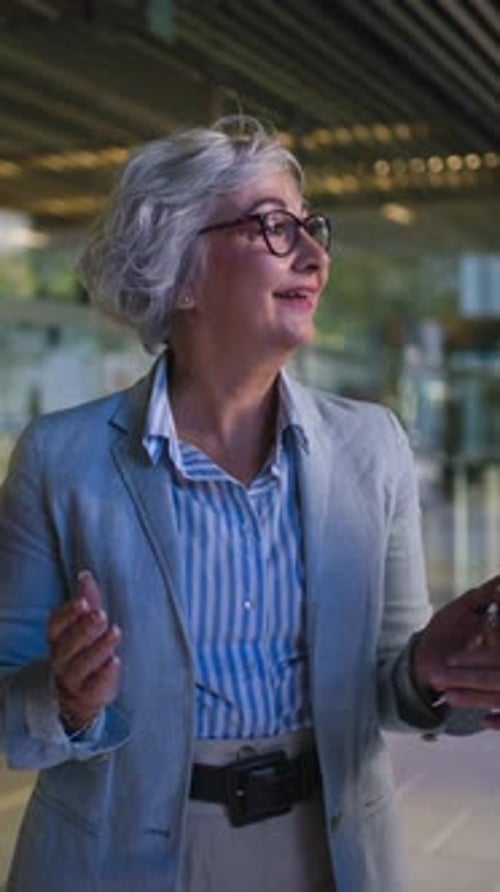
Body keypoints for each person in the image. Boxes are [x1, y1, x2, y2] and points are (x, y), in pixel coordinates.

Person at [0, 116, 499, 892]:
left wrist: (430, 670)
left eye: (310, 228)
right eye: (272, 226)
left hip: (329, 853)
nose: (314, 255)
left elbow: (387, 686)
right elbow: (10, 712)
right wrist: (65, 699)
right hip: (116, 862)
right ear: (180, 272)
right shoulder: (60, 459)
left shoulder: (373, 446)